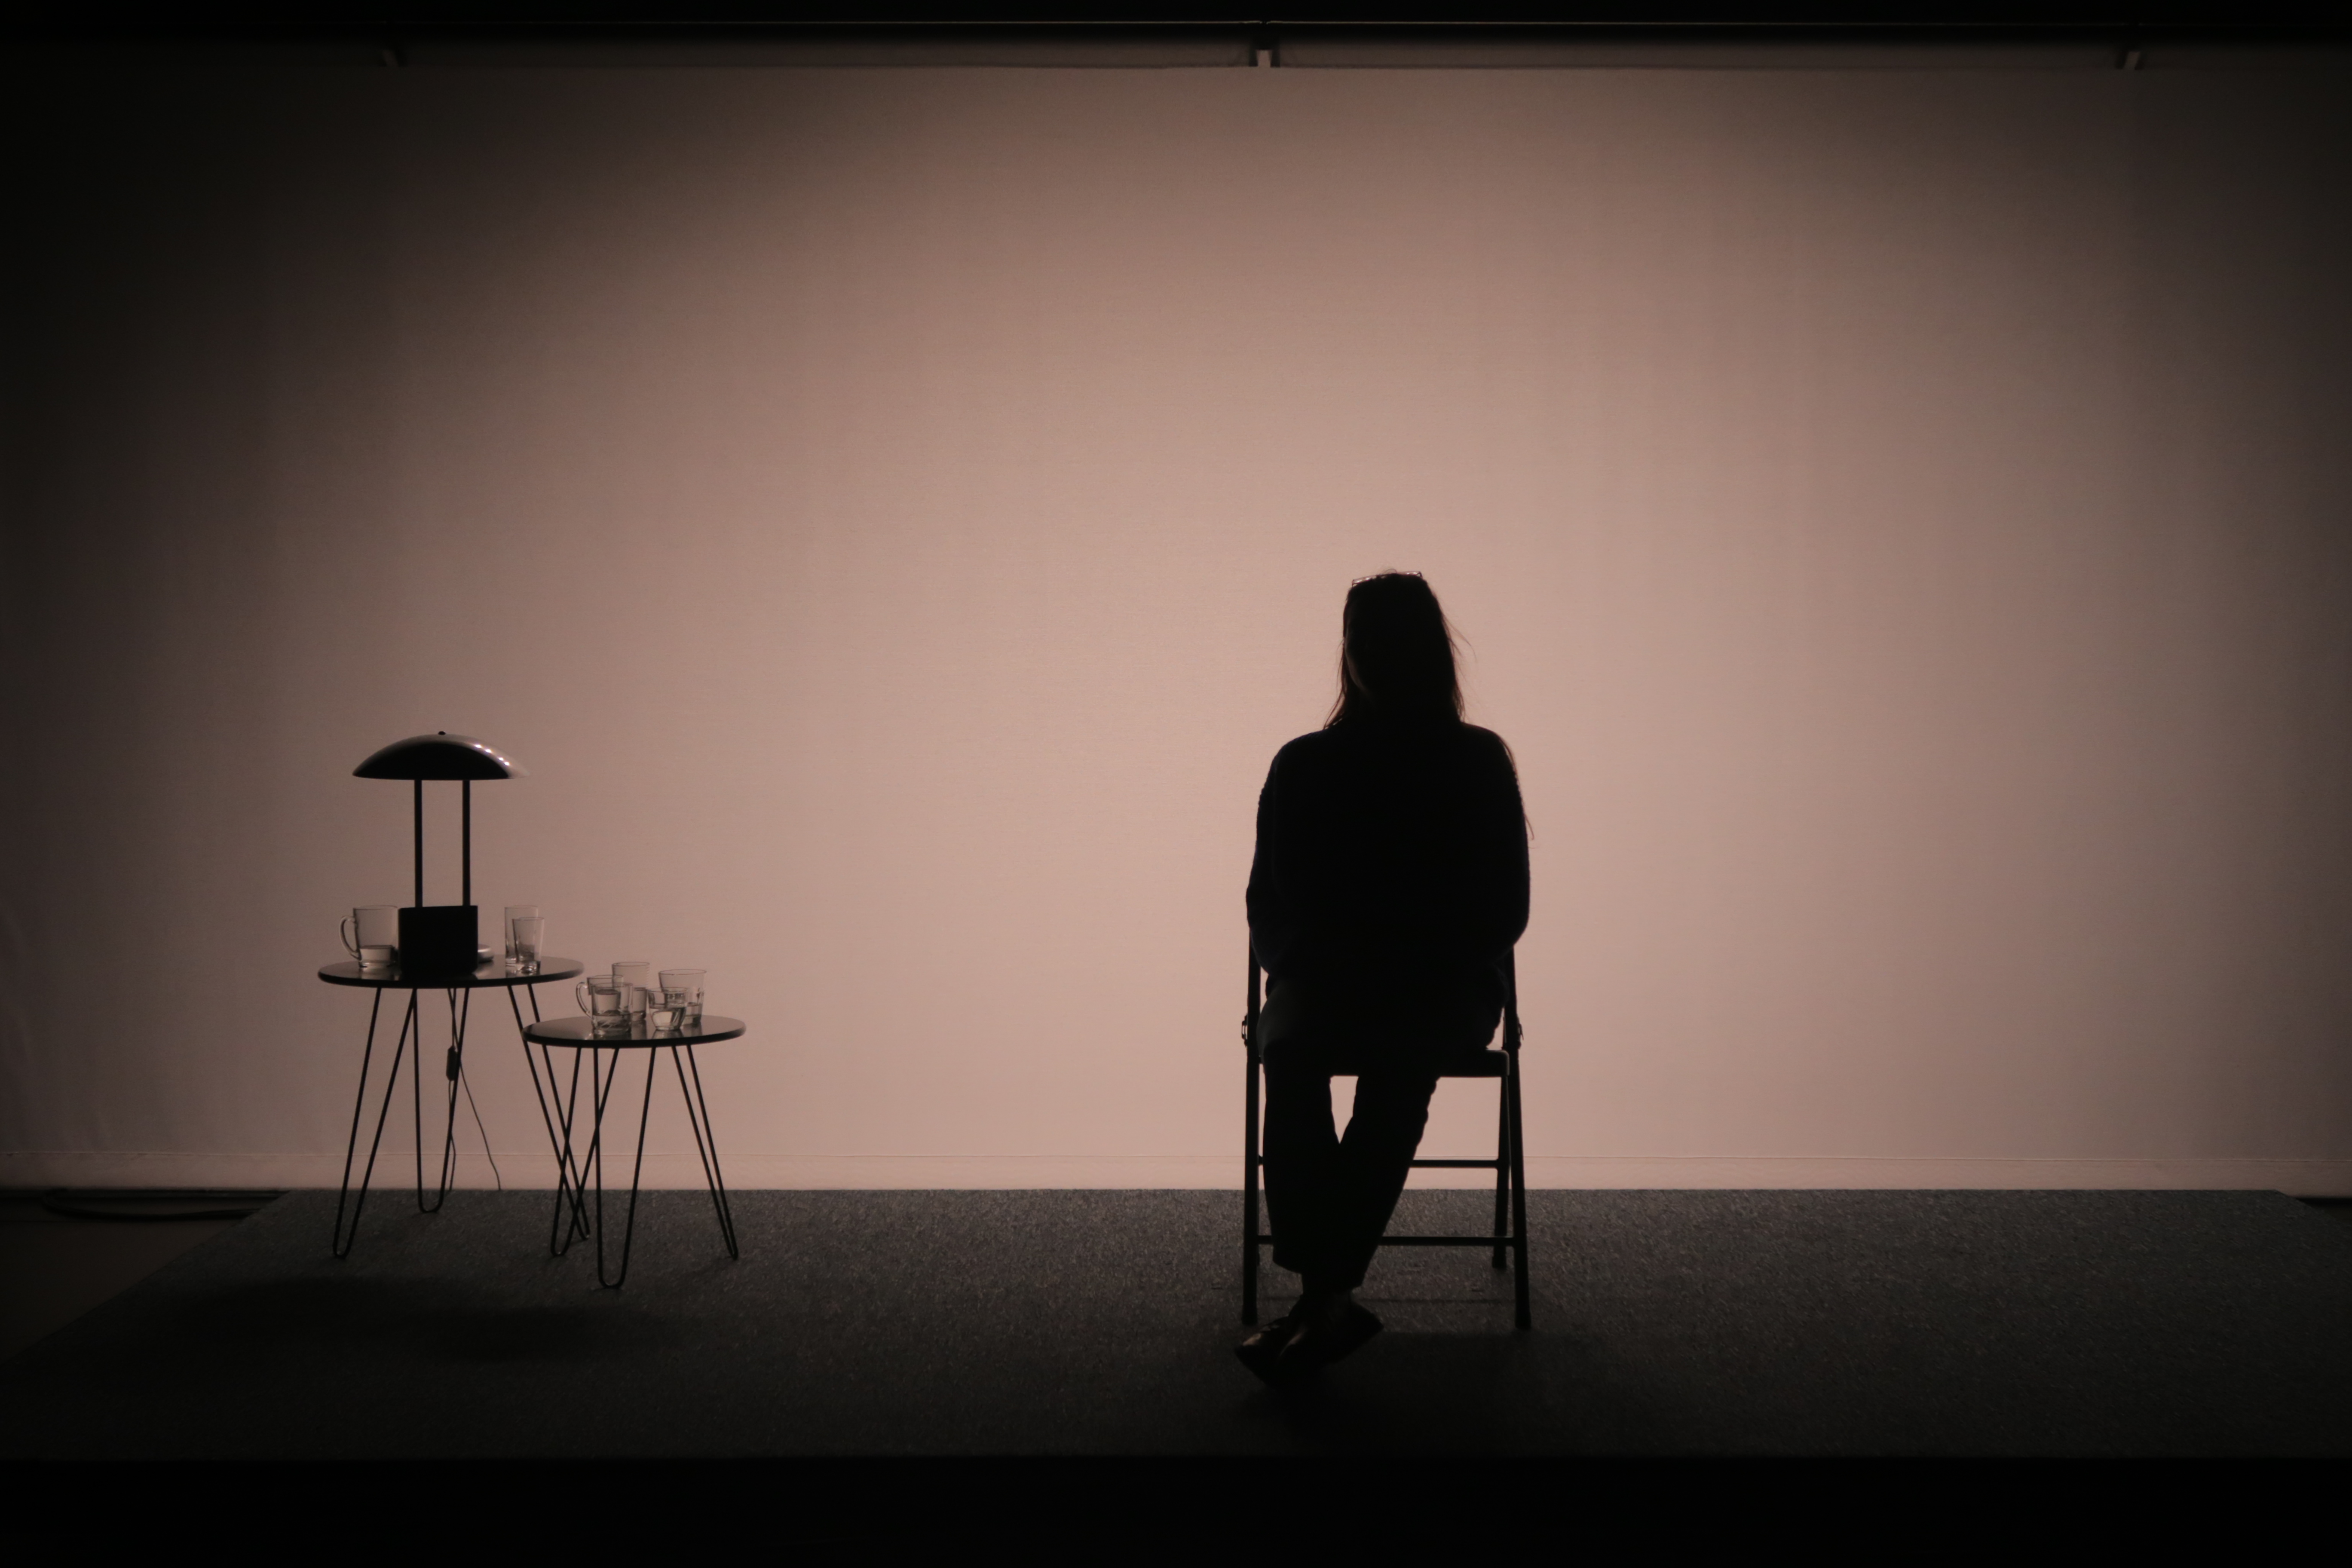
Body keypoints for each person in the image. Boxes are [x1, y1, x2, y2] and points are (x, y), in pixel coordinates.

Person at [1237, 572, 1529, 1385]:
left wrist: (1358, 966)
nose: (1371, 652)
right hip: (1360, 982)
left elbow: (1503, 909)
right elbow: (1269, 907)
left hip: (1428, 987)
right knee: (1301, 1056)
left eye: (1386, 637)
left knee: (1369, 1063)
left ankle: (1320, 1296)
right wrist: (1328, 967)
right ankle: (1327, 1301)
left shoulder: (1471, 762)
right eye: (1362, 636)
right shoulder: (1309, 764)